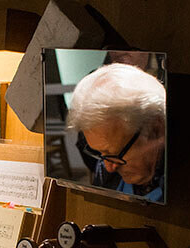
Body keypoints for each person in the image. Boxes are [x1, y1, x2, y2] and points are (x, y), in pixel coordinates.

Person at [68, 62, 166, 202]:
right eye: (100, 153)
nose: (109, 168)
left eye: (115, 155)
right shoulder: (105, 169)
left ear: (155, 129)